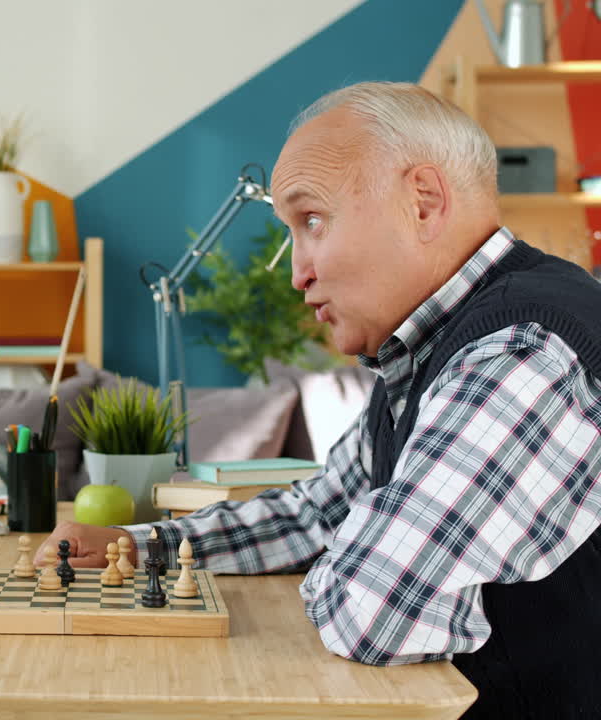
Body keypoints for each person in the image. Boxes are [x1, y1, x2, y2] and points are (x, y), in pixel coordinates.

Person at [39, 82, 601, 719]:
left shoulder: (522, 353)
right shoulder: (423, 352)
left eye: (312, 221)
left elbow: (376, 612)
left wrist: (356, 555)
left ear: (423, 202)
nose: (296, 271)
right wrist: (136, 545)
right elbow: (317, 516)